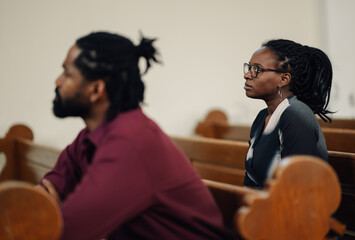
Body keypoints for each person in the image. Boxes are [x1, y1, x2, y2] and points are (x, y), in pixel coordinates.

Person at [40, 31, 229, 240]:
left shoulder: (130, 141)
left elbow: (68, 230)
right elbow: (48, 192)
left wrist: (47, 213)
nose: (58, 81)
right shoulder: (91, 137)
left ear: (96, 89)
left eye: (67, 73)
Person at [242, 39, 332, 188]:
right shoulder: (262, 118)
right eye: (249, 67)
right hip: (265, 206)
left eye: (257, 69)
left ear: (284, 79)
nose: (247, 75)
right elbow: (251, 181)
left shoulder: (295, 116)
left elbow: (298, 188)